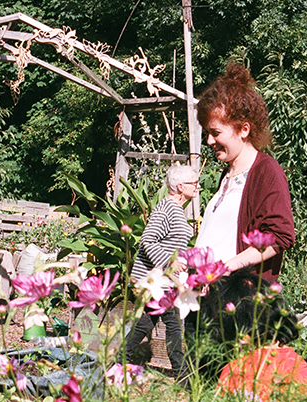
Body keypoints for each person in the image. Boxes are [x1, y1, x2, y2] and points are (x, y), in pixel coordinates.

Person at [183, 63, 297, 381]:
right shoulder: (229, 174)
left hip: (237, 309)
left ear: (243, 129)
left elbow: (279, 236)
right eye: (207, 132)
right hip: (208, 303)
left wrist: (225, 268)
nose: (208, 141)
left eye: (216, 132)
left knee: (229, 386)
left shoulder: (265, 172)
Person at [123, 165, 199, 382]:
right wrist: (169, 262)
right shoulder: (166, 208)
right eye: (194, 183)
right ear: (181, 186)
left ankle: (119, 362)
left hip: (163, 279)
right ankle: (183, 378)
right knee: (174, 325)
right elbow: (147, 239)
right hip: (155, 278)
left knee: (147, 322)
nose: (198, 186)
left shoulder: (176, 209)